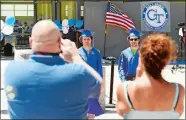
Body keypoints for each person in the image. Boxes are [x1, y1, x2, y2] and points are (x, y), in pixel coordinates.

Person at [4, 20, 103, 119]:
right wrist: (76, 58)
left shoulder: (12, 72)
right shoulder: (78, 74)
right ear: (60, 42)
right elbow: (100, 86)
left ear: (30, 42)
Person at [116, 33, 185, 119]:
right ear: (167, 61)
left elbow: (121, 111)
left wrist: (138, 75)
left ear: (141, 59)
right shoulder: (178, 91)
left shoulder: (124, 90)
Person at [78, 29, 104, 117]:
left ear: (91, 39)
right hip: (82, 82)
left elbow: (99, 67)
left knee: (92, 105)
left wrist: (100, 81)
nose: (86, 41)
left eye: (88, 39)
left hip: (93, 82)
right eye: (84, 39)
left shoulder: (96, 53)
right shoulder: (78, 52)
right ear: (81, 40)